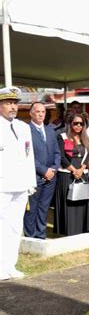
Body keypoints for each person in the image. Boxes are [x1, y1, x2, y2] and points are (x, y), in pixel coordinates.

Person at [0, 87, 36, 280]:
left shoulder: (23, 127)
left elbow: (29, 156)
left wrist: (30, 182)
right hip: (2, 186)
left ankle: (9, 265)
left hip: (20, 185)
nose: (13, 107)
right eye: (8, 103)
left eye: (14, 103)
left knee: (14, 226)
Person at [25, 102, 60, 239]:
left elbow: (57, 152)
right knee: (31, 209)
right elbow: (27, 155)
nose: (40, 114)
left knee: (44, 208)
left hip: (51, 177)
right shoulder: (26, 130)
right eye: (37, 111)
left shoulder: (50, 130)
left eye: (43, 112)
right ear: (31, 113)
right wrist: (44, 170)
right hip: (35, 176)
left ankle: (40, 235)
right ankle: (30, 237)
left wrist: (54, 169)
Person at [55, 114, 89, 236]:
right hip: (67, 174)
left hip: (82, 174)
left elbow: (88, 155)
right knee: (69, 203)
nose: (78, 126)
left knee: (81, 201)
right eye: (75, 123)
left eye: (81, 124)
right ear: (70, 124)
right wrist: (74, 170)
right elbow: (61, 156)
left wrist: (82, 169)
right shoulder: (62, 137)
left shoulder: (85, 138)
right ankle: (68, 230)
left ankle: (82, 229)